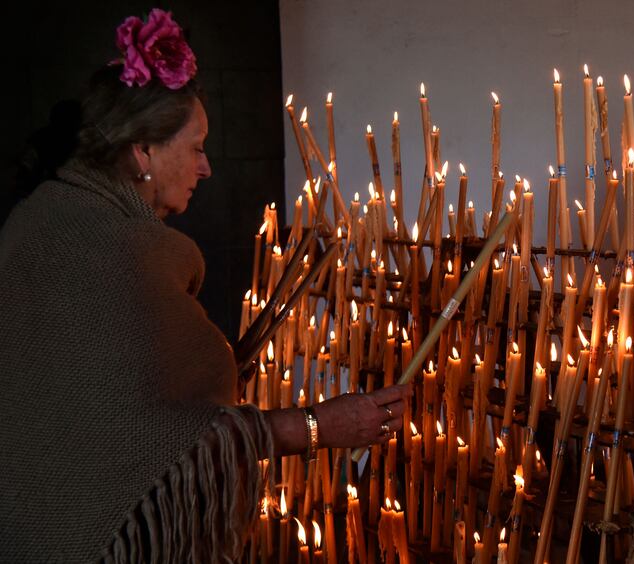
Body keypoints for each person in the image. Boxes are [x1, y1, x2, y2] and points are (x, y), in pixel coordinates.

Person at [0, 9, 408, 563]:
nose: (207, 166)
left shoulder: (39, 218)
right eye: (195, 147)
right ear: (143, 151)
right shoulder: (124, 254)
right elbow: (168, 439)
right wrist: (319, 425)